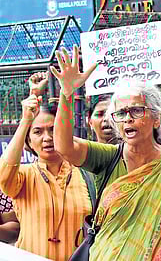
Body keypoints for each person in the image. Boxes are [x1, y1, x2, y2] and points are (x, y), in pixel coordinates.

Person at [51, 46, 161, 260]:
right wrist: (66, 94)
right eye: (120, 113)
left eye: (137, 110)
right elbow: (64, 147)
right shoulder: (108, 157)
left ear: (156, 119)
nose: (128, 118)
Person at [0, 73, 92, 260]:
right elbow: (4, 174)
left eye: (53, 129)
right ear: (29, 141)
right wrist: (26, 119)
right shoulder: (23, 176)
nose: (47, 138)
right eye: (37, 132)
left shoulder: (86, 175)